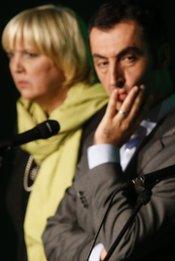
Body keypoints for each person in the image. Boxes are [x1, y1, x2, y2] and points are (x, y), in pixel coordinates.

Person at [42, 0, 175, 260]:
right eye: (102, 63)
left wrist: (105, 149)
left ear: (162, 57)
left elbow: (122, 246)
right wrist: (95, 256)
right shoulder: (102, 130)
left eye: (128, 58)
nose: (114, 78)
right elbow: (52, 233)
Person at [0, 5, 108, 261]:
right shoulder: (26, 130)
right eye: (10, 55)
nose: (16, 67)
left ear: (66, 57)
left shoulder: (103, 123)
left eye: (30, 54)